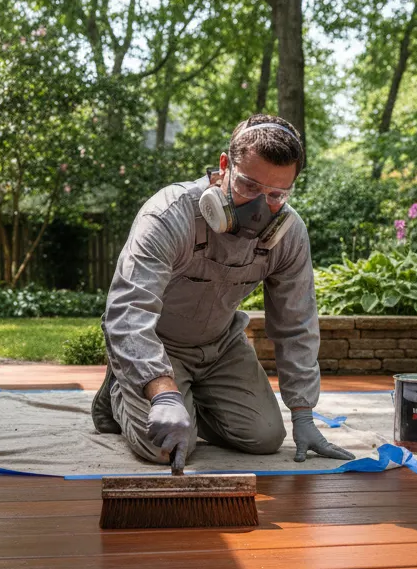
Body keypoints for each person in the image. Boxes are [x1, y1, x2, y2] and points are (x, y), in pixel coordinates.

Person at [91, 114, 354, 471]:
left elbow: (296, 324)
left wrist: (303, 415)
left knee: (264, 439)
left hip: (221, 346)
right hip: (158, 345)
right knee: (164, 449)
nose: (261, 207)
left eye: (277, 194)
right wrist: (165, 394)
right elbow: (128, 311)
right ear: (224, 165)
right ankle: (122, 390)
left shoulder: (289, 236)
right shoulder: (170, 215)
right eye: (248, 186)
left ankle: (187, 403)